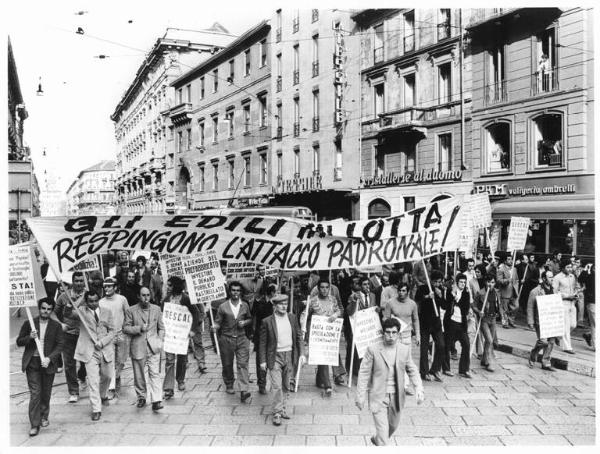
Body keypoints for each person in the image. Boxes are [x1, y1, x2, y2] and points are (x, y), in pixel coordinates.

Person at [355, 317, 424, 446]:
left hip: (397, 397)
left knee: (392, 427)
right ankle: (381, 441)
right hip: (379, 396)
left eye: (394, 333)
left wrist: (419, 388)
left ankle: (378, 439)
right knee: (384, 438)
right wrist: (360, 396)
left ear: (398, 334)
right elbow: (363, 373)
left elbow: (412, 370)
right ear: (383, 333)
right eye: (388, 332)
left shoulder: (404, 349)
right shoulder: (373, 349)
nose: (391, 336)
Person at [16, 298, 64, 436]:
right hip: (32, 362)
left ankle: (44, 415)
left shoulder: (56, 326)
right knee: (35, 393)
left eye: (49, 309)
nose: (46, 311)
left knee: (46, 392)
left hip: (47, 363)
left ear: (52, 310)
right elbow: (19, 341)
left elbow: (60, 345)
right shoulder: (29, 323)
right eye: (43, 308)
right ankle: (35, 424)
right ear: (39, 308)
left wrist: (49, 358)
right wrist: (30, 337)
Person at [258, 294, 306, 426]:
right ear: (274, 306)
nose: (284, 306)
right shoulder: (267, 321)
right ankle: (277, 412)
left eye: (285, 303)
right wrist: (262, 360)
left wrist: (302, 353)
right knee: (277, 386)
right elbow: (262, 343)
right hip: (274, 357)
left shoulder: (292, 318)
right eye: (280, 304)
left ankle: (283, 408)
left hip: (289, 355)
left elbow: (298, 336)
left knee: (286, 385)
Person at [73, 290, 115, 421]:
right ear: (86, 301)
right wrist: (81, 297)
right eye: (90, 301)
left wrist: (102, 342)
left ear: (99, 300)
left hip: (104, 350)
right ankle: (96, 409)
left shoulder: (107, 311)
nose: (93, 303)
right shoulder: (81, 312)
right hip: (89, 351)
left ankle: (103, 394)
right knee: (93, 381)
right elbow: (67, 312)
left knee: (107, 376)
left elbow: (112, 331)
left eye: (95, 300)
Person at [300, 280, 347, 395]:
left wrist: (335, 315)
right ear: (318, 288)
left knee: (327, 355)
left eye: (327, 287)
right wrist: (303, 326)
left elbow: (340, 310)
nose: (324, 290)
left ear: (329, 288)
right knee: (323, 356)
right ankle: (327, 385)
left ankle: (319, 379)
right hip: (318, 333)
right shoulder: (313, 301)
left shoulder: (333, 299)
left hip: (330, 334)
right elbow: (304, 314)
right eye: (322, 287)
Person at [123, 286, 165, 411]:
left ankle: (156, 400)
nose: (146, 298)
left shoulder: (157, 309)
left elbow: (161, 327)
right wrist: (139, 328)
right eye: (143, 295)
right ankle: (141, 397)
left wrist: (159, 340)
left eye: (148, 295)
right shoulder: (131, 310)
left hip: (153, 346)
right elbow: (125, 328)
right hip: (138, 346)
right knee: (139, 374)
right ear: (138, 296)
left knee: (155, 374)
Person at [212, 280, 253, 403]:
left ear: (241, 292)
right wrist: (215, 327)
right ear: (230, 292)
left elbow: (250, 319)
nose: (236, 293)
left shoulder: (244, 305)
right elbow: (218, 322)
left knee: (242, 364)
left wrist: (244, 322)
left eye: (238, 290)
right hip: (227, 338)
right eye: (234, 290)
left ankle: (244, 390)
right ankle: (229, 383)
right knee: (227, 364)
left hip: (241, 339)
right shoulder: (223, 306)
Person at [162, 276, 200, 398]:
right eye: (167, 285)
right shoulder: (166, 299)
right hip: (170, 335)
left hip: (182, 335)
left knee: (182, 359)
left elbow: (196, 313)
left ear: (176, 286)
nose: (167, 287)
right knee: (169, 360)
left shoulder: (186, 299)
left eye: (170, 285)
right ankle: (168, 388)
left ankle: (180, 379)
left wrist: (193, 329)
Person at [52, 271, 87, 403]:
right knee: (69, 364)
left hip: (85, 334)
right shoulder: (63, 296)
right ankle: (73, 391)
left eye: (81, 281)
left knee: (85, 361)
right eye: (76, 281)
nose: (79, 283)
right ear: (73, 282)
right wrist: (60, 324)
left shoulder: (89, 295)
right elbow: (53, 313)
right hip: (68, 335)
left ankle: (82, 376)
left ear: (84, 282)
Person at [99, 277, 129, 399]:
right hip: (109, 336)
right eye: (105, 286)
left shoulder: (122, 299)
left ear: (115, 287)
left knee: (121, 361)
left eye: (110, 286)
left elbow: (128, 314)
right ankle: (111, 388)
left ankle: (116, 378)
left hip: (121, 334)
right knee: (110, 362)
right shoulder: (101, 302)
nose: (107, 288)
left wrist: (126, 328)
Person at [414, 270, 445, 382]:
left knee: (441, 345)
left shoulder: (441, 290)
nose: (438, 284)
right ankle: (424, 372)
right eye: (436, 282)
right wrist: (427, 296)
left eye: (440, 282)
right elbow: (417, 299)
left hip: (436, 323)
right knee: (424, 348)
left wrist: (440, 296)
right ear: (431, 281)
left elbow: (444, 305)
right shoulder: (423, 288)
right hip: (425, 322)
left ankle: (435, 369)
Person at [346, 276, 378, 376]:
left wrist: (377, 309)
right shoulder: (354, 296)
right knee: (356, 350)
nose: (367, 286)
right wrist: (354, 301)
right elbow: (349, 312)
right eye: (364, 284)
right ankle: (355, 371)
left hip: (368, 328)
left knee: (369, 350)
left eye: (368, 284)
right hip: (358, 327)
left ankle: (367, 370)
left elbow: (374, 309)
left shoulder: (373, 295)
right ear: (360, 286)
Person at [442, 273, 472, 379]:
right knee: (447, 345)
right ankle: (446, 368)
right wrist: (452, 294)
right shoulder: (450, 292)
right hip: (451, 322)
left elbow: (466, 308)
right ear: (457, 282)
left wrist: (458, 299)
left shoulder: (466, 294)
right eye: (461, 282)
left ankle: (464, 369)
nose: (463, 284)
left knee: (466, 344)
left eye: (464, 282)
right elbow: (446, 304)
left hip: (461, 323)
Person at [527, 271, 559, 370]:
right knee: (543, 341)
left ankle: (546, 362)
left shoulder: (554, 290)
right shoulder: (535, 291)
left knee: (551, 341)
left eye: (552, 277)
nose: (552, 279)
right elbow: (530, 307)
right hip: (540, 320)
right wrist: (530, 321)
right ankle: (533, 354)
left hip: (551, 320)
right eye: (550, 277)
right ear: (544, 279)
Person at [472, 274, 501, 372]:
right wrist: (478, 312)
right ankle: (489, 362)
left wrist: (502, 315)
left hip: (493, 319)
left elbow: (498, 305)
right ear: (485, 282)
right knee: (489, 340)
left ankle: (484, 360)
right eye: (489, 282)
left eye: (492, 282)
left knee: (490, 341)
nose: (490, 284)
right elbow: (473, 305)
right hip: (484, 319)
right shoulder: (480, 293)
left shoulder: (496, 292)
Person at [252, 282, 276, 394]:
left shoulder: (277, 303)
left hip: (274, 337)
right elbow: (260, 315)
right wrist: (270, 304)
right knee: (261, 360)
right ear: (272, 293)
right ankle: (261, 384)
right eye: (277, 291)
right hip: (261, 336)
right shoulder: (260, 303)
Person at [553, 261, 578, 354]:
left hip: (572, 303)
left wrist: (576, 294)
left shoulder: (572, 277)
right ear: (563, 268)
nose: (570, 269)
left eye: (570, 267)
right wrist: (566, 296)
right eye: (568, 267)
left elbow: (575, 288)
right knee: (566, 325)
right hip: (563, 303)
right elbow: (554, 292)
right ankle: (567, 347)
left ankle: (558, 336)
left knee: (573, 325)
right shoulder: (557, 278)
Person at [496, 253, 518, 328]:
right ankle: (505, 323)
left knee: (515, 307)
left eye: (511, 259)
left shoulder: (514, 269)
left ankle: (511, 321)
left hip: (513, 291)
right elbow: (499, 280)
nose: (511, 261)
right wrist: (507, 280)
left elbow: (516, 279)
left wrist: (516, 286)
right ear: (505, 261)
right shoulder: (501, 269)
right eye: (509, 259)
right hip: (505, 292)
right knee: (504, 309)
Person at [579, 262, 595, 350]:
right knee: (595, 324)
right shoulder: (590, 276)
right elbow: (580, 279)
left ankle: (589, 335)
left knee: (594, 324)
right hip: (592, 302)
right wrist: (585, 270)